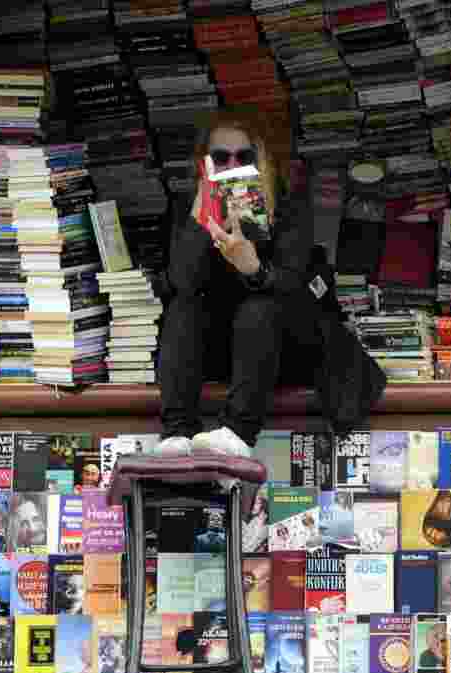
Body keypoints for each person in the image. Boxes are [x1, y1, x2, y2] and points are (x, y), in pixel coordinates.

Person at [154, 111, 386, 457]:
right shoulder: (187, 209)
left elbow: (296, 289)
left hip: (282, 349)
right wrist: (201, 213)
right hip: (219, 352)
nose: (232, 164)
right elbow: (180, 283)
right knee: (183, 307)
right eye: (220, 157)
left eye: (243, 157)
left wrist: (255, 269)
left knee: (259, 305)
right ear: (205, 163)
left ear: (259, 161)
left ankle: (238, 431)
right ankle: (177, 433)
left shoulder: (289, 209)